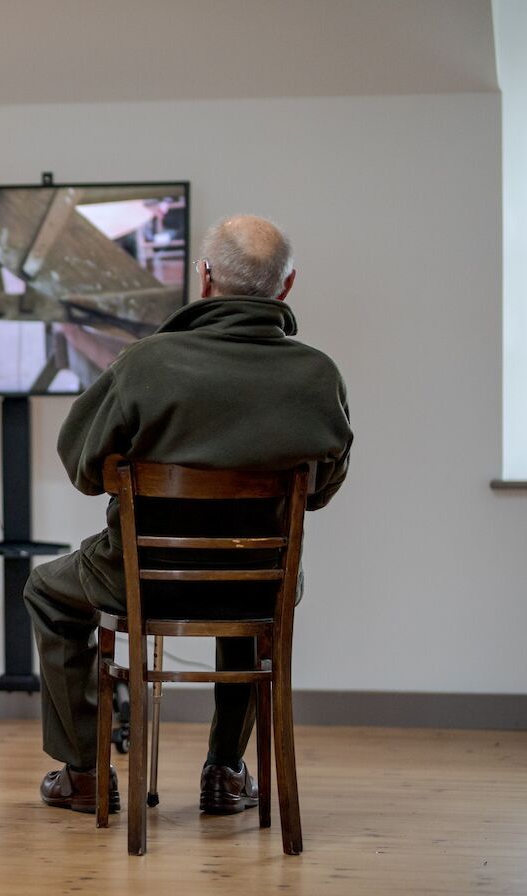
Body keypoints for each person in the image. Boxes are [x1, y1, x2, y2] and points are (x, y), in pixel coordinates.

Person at [23, 215, 353, 816]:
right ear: (287, 285)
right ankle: (225, 772)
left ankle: (86, 773)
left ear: (204, 279)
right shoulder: (318, 376)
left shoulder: (145, 365)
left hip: (140, 577)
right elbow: (323, 487)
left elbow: (82, 465)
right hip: (258, 584)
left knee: (47, 590)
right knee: (251, 594)